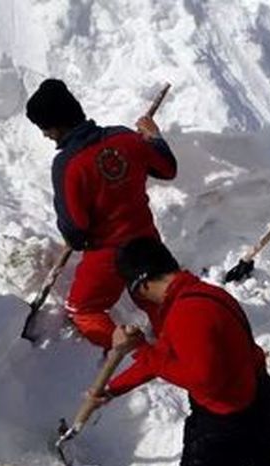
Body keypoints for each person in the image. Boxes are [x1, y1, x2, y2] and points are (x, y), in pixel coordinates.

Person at [92, 238, 270, 466]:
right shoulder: (206, 294)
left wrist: (141, 349)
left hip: (229, 417)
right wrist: (114, 387)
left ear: (141, 284)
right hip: (261, 398)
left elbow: (202, 379)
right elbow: (167, 357)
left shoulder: (188, 313)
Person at [25, 78, 178, 350]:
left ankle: (135, 353)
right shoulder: (125, 137)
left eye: (44, 128)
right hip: (147, 242)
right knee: (162, 298)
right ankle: (177, 339)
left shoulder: (67, 165)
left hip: (108, 256)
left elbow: (75, 231)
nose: (45, 135)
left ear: (57, 125)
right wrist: (153, 137)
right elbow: (167, 169)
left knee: (83, 310)